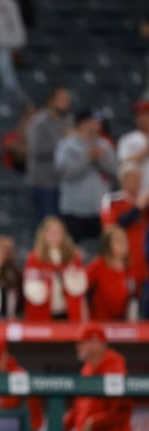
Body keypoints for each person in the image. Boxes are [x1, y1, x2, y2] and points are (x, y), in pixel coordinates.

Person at [64, 324, 132, 431]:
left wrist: (93, 422)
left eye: (82, 343)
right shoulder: (87, 369)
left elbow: (122, 413)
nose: (78, 347)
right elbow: (78, 409)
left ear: (97, 342)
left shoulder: (114, 367)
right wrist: (59, 427)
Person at [55, 110, 117, 244]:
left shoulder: (104, 144)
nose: (96, 125)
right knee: (73, 249)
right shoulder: (67, 145)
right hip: (74, 209)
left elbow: (114, 169)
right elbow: (65, 174)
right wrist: (87, 157)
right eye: (92, 121)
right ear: (82, 123)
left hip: (99, 208)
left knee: (103, 249)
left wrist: (100, 158)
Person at [101, 161, 149, 314]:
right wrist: (137, 208)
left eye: (138, 177)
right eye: (131, 177)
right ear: (122, 179)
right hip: (124, 266)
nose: (136, 181)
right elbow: (112, 229)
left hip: (145, 266)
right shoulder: (113, 200)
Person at [23, 216, 87, 321]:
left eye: (58, 231)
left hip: (70, 314)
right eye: (50, 231)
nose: (54, 234)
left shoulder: (73, 256)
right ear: (43, 234)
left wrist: (70, 269)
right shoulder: (34, 258)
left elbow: (79, 288)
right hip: (42, 314)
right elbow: (33, 293)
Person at [26, 86, 71, 227]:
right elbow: (37, 150)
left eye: (67, 99)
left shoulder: (67, 121)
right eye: (62, 99)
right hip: (44, 183)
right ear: (51, 101)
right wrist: (63, 142)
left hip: (63, 183)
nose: (66, 102)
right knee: (47, 226)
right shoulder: (39, 122)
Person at [86, 226, 136, 321]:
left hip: (122, 322)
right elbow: (79, 287)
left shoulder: (130, 267)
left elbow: (134, 296)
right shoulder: (98, 265)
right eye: (118, 241)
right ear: (108, 245)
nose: (123, 245)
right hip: (98, 323)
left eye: (124, 241)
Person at [116, 100, 149, 191]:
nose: (142, 118)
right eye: (139, 115)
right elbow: (124, 163)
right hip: (137, 192)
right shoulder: (128, 139)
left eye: (146, 114)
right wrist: (145, 150)